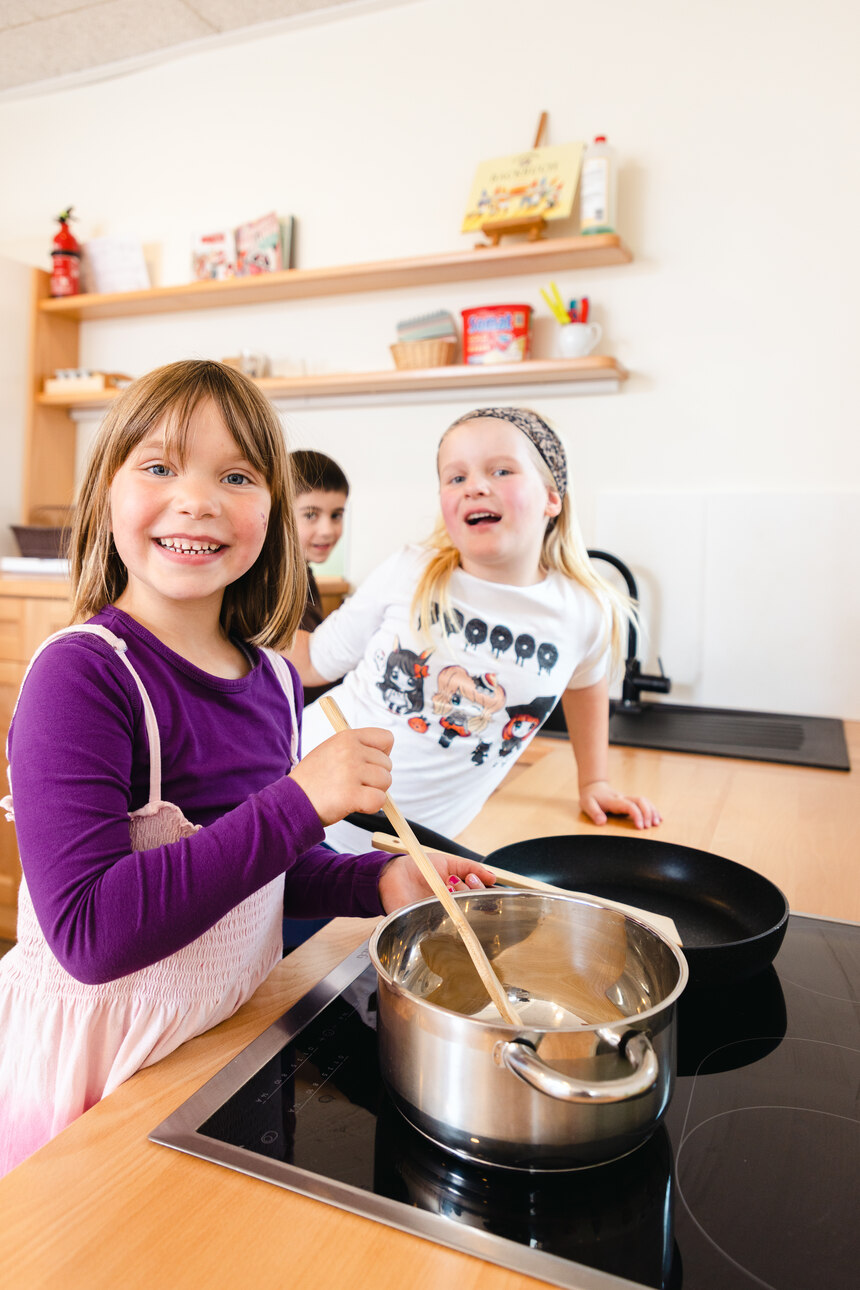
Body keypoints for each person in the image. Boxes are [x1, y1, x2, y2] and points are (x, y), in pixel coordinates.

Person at [0, 360, 492, 1178]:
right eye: (159, 466)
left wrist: (375, 883)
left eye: (235, 475)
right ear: (107, 494)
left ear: (272, 513)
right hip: (99, 1074)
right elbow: (89, 934)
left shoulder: (270, 679)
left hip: (224, 1044)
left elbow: (258, 874)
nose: (197, 499)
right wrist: (301, 801)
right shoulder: (81, 676)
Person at [288, 406, 661, 855]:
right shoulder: (409, 570)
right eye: (456, 477)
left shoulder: (584, 611)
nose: (476, 487)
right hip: (293, 800)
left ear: (552, 497)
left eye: (501, 470)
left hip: (410, 852)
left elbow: (586, 686)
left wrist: (594, 781)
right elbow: (311, 661)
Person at [290, 448, 349, 703]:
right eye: (311, 515)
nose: (327, 530)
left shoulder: (304, 570)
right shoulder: (269, 582)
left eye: (336, 515)